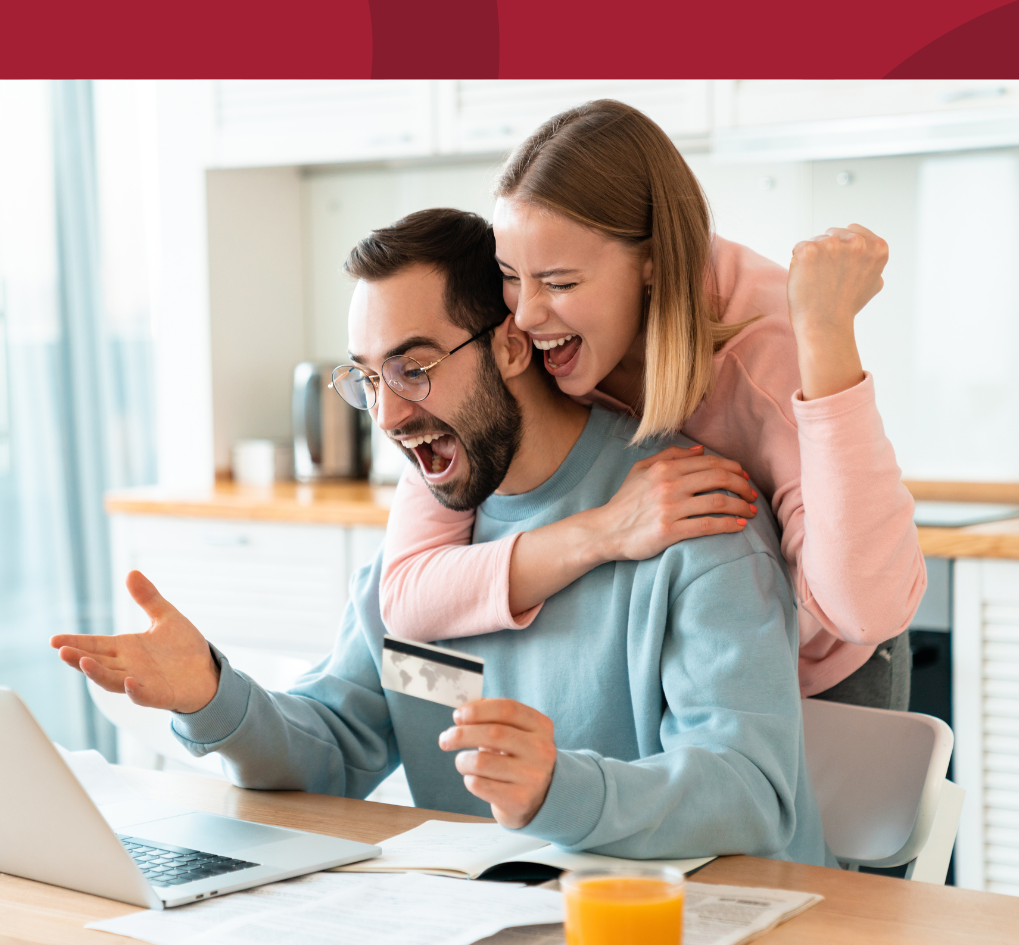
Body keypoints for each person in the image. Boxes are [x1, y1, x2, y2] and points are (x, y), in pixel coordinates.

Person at [52, 209, 829, 866]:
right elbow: (340, 742)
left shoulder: (691, 514)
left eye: (413, 369)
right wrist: (214, 696)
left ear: (513, 345)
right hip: (494, 939)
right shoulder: (430, 544)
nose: (387, 417)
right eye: (367, 379)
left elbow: (752, 794)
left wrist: (564, 788)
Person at [379, 99, 924, 711]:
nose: (526, 313)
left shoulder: (764, 349)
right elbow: (407, 594)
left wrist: (826, 333)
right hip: (659, 672)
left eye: (560, 282)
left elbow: (865, 607)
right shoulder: (521, 333)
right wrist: (604, 531)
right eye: (511, 274)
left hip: (813, 672)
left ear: (655, 264)